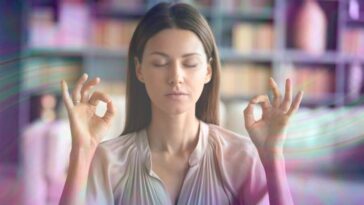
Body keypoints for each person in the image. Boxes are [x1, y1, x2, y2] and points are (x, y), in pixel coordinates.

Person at [59, 2, 303, 205]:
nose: (176, 76)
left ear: (208, 71)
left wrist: (272, 156)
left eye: (190, 63)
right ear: (139, 70)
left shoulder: (238, 157)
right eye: (160, 63)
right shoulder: (110, 160)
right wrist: (82, 149)